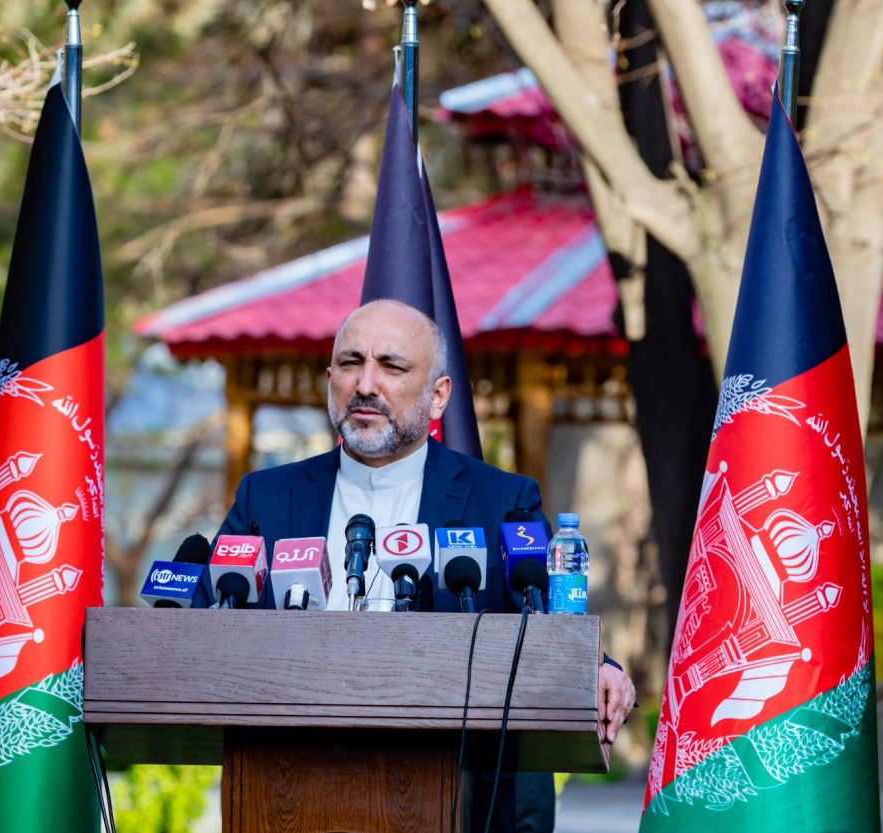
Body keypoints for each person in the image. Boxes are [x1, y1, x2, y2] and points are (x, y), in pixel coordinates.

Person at [214, 298, 636, 831]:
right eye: (350, 363)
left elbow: (547, 615)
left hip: (458, 800)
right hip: (285, 793)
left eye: (391, 366)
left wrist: (600, 668)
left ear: (438, 396)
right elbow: (210, 623)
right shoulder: (267, 498)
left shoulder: (502, 502)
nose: (366, 384)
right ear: (330, 379)